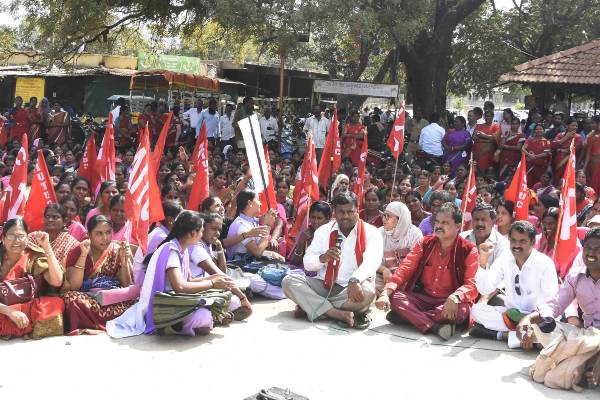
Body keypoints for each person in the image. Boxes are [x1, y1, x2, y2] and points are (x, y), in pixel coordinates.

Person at [108, 211, 232, 337]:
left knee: (224, 303)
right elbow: (180, 287)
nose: (202, 235)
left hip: (177, 299)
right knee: (203, 316)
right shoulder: (172, 250)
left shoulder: (183, 249)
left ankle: (197, 322)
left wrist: (215, 278)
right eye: (201, 231)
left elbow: (189, 280)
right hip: (165, 304)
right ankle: (173, 326)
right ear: (193, 233)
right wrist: (211, 283)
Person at [376, 203, 479, 340]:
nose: (439, 226)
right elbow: (405, 269)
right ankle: (434, 327)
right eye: (437, 221)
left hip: (449, 301)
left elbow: (472, 285)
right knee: (395, 297)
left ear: (457, 226)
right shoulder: (425, 243)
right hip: (423, 298)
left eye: (445, 222)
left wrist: (456, 297)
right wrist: (385, 293)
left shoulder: (468, 250)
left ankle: (410, 317)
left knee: (462, 311)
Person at [282, 192, 382, 328]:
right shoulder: (323, 231)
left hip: (350, 288)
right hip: (323, 285)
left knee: (368, 293)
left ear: (357, 210)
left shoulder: (372, 233)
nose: (346, 216)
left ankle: (313, 307)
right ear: (335, 212)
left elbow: (372, 262)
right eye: (341, 212)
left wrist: (355, 279)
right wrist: (323, 258)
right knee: (288, 281)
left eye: (350, 212)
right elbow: (308, 263)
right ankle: (337, 314)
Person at [469, 221, 558, 348]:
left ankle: (500, 335)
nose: (516, 245)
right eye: (514, 240)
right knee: (476, 310)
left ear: (533, 243)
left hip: (535, 319)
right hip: (510, 316)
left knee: (551, 334)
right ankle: (525, 338)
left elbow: (550, 302)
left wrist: (529, 321)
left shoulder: (545, 263)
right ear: (509, 240)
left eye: (522, 241)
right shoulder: (505, 259)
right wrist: (483, 261)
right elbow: (485, 289)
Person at [517, 228, 600, 349]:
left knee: (570, 358)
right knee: (539, 328)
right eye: (588, 248)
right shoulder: (575, 277)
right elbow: (556, 303)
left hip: (592, 341)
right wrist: (528, 319)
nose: (591, 253)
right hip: (587, 335)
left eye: (597, 249)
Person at [62, 215, 135, 334]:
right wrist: (83, 255)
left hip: (111, 297)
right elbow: (74, 286)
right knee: (72, 299)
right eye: (99, 234)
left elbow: (126, 284)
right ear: (89, 235)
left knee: (136, 301)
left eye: (108, 232)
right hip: (88, 299)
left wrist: (125, 260)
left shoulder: (116, 250)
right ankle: (102, 323)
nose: (105, 238)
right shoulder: (77, 251)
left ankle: (101, 323)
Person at [0, 218, 64, 338]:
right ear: (3, 239)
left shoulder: (33, 257)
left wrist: (47, 247)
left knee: (55, 304)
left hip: (27, 308)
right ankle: (19, 327)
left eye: (21, 236)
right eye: (11, 236)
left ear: (27, 238)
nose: (16, 241)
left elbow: (57, 281)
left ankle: (16, 327)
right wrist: (10, 311)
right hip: (2, 309)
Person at [189, 212, 252, 321]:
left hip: (205, 286)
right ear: (202, 228)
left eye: (219, 230)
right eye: (213, 229)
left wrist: (219, 247)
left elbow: (222, 270)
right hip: (194, 289)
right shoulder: (197, 247)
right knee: (235, 301)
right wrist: (242, 297)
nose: (217, 233)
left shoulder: (206, 245)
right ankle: (216, 316)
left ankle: (218, 315)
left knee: (234, 297)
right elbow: (219, 274)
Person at [226, 189, 286, 299]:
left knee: (280, 261)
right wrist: (267, 226)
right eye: (258, 200)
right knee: (259, 281)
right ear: (249, 203)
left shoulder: (251, 220)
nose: (261, 203)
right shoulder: (241, 224)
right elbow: (257, 252)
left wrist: (268, 219)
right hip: (240, 265)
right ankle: (284, 292)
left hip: (250, 261)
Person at [376, 202, 423, 295]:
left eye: (388, 216)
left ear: (400, 219)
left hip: (407, 278)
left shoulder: (414, 234)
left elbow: (415, 264)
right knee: (367, 285)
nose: (384, 219)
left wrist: (396, 279)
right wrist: (384, 270)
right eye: (383, 215)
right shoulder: (379, 233)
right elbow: (370, 261)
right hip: (384, 277)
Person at [288, 201, 332, 268]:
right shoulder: (306, 234)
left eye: (319, 218)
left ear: (327, 219)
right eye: (313, 217)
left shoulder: (332, 235)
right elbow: (294, 263)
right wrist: (300, 244)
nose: (315, 222)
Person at [37, 203, 80, 268]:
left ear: (64, 221)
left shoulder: (71, 244)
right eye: (47, 216)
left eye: (55, 217)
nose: (50, 220)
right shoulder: (35, 237)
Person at [552, 117, 583, 186]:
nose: (575, 127)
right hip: (557, 160)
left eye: (576, 126)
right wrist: (566, 137)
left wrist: (561, 149)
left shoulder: (578, 137)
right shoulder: (560, 135)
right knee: (556, 181)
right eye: (573, 125)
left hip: (569, 162)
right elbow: (553, 145)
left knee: (567, 181)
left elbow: (573, 149)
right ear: (567, 126)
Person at [522, 123, 552, 187]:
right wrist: (529, 155)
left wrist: (534, 157)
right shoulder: (529, 139)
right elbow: (523, 149)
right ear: (534, 130)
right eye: (537, 129)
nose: (539, 130)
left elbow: (546, 153)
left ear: (544, 131)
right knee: (526, 183)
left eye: (541, 129)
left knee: (536, 185)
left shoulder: (547, 142)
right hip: (528, 166)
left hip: (540, 169)